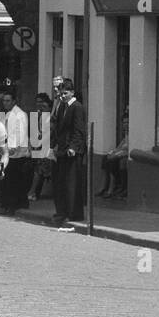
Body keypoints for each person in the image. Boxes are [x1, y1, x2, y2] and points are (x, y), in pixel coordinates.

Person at [50, 77, 86, 226]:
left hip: (71, 150)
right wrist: (54, 146)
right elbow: (59, 128)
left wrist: (73, 147)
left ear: (72, 92)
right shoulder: (63, 107)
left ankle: (73, 213)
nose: (62, 96)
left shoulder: (77, 107)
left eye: (65, 93)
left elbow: (78, 129)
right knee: (61, 182)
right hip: (62, 150)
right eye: (61, 94)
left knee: (72, 183)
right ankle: (62, 211)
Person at [0, 89, 30, 214]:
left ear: (14, 101)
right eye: (4, 101)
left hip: (16, 153)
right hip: (9, 151)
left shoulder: (19, 114)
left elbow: (20, 133)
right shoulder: (8, 113)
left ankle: (13, 205)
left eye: (8, 101)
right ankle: (9, 204)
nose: (5, 103)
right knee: (9, 180)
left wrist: (13, 148)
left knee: (14, 180)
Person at [28, 92, 54, 202]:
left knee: (40, 170)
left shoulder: (51, 115)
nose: (40, 105)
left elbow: (51, 131)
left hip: (48, 145)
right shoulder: (38, 115)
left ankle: (33, 191)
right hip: (39, 145)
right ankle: (35, 191)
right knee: (38, 169)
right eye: (38, 102)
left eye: (42, 102)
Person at [99, 108, 129, 200]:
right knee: (105, 159)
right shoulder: (126, 134)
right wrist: (112, 152)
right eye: (124, 123)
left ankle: (112, 188)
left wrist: (116, 155)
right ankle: (104, 186)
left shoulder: (133, 134)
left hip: (125, 156)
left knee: (112, 162)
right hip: (121, 154)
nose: (125, 125)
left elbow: (128, 149)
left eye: (127, 123)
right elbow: (120, 146)